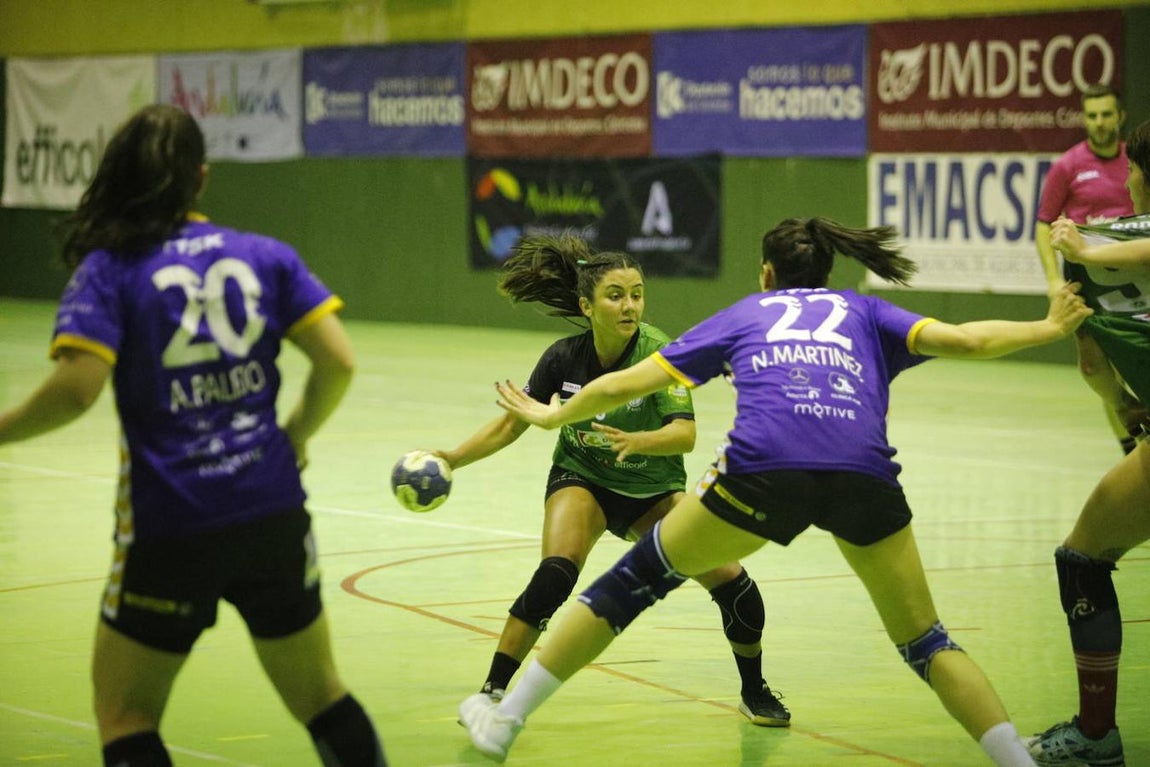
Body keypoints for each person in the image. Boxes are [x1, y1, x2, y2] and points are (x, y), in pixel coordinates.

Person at [461, 216, 1093, 766]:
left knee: (630, 583)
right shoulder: (867, 311)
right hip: (864, 474)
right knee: (927, 640)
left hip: (765, 470)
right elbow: (969, 340)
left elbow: (624, 385)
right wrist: (1048, 327)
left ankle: (504, 719)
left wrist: (549, 417)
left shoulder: (746, 314)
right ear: (826, 269)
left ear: (766, 274)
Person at [0, 105, 386, 767]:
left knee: (126, 713)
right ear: (201, 178)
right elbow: (338, 361)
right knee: (322, 693)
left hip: (171, 519)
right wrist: (293, 433)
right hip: (271, 505)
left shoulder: (112, 269)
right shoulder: (267, 256)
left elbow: (78, 387)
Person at [439, 232, 789, 728]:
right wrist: (450, 458)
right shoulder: (564, 358)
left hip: (653, 496)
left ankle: (754, 691)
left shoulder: (658, 353)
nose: (630, 305)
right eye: (616, 295)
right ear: (587, 305)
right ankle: (491, 694)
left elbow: (684, 435)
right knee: (555, 574)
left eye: (638, 294)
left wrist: (638, 442)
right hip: (584, 480)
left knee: (735, 586)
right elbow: (513, 422)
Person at [1025, 118, 1150, 767]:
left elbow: (1096, 369)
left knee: (1083, 557)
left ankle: (1097, 735)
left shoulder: (1101, 258)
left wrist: (1086, 252)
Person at [1036, 83, 1137, 455]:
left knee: (1132, 367)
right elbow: (1044, 224)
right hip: (1089, 285)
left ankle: (1136, 453)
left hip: (1136, 283)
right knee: (1096, 371)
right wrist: (1052, 279)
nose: (1099, 122)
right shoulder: (1068, 166)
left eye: (1106, 114)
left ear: (1120, 116)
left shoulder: (1136, 162)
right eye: (1092, 115)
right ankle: (1132, 438)